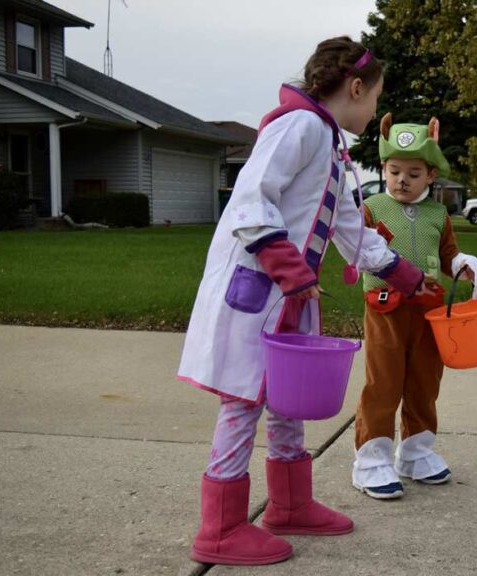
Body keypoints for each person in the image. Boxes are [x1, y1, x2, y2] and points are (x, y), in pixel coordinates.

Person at [177, 37, 425, 566]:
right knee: (244, 402)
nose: (376, 109)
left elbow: (349, 226)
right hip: (261, 291)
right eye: (375, 97)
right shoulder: (299, 126)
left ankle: (289, 504)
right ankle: (219, 528)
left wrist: (402, 273)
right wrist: (289, 269)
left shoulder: (329, 143)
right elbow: (251, 200)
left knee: (286, 400)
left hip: (289, 298)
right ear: (355, 88)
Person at [352, 113, 477, 500]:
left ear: (430, 175)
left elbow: (448, 255)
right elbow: (357, 249)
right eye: (394, 171)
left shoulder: (438, 214)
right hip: (385, 309)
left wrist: (461, 264)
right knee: (384, 382)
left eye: (413, 172)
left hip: (428, 312)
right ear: (383, 168)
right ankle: (370, 458)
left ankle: (415, 450)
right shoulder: (372, 208)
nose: (402, 180)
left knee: (425, 381)